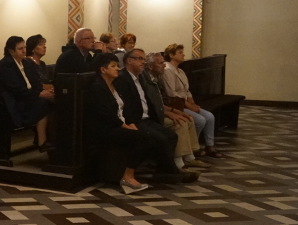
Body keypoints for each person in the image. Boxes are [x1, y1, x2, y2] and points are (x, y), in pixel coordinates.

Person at [114, 48, 195, 182]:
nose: (143, 62)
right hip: (135, 120)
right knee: (161, 139)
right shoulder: (122, 78)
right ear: (129, 61)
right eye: (140, 59)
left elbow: (147, 100)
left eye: (144, 59)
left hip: (146, 118)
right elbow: (125, 105)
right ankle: (170, 173)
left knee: (171, 135)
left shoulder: (139, 77)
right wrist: (132, 123)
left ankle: (163, 171)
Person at [85, 53, 155, 194]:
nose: (118, 68)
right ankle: (128, 177)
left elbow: (123, 110)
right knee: (141, 138)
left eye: (117, 65)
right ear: (103, 69)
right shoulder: (98, 87)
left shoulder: (114, 85)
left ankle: (128, 172)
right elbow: (107, 115)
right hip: (104, 129)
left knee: (148, 136)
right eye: (113, 66)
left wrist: (131, 124)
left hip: (117, 125)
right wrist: (127, 127)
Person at [143, 52, 209, 171]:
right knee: (180, 123)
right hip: (152, 117)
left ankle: (190, 157)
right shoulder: (145, 81)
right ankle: (178, 163)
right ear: (150, 66)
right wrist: (170, 113)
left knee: (188, 119)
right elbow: (151, 106)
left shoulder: (156, 79)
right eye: (160, 63)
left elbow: (159, 103)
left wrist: (175, 111)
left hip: (161, 111)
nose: (164, 65)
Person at [162, 43, 223, 158]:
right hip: (177, 105)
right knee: (200, 120)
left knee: (210, 117)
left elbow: (187, 90)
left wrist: (193, 103)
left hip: (185, 103)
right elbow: (172, 93)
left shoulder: (181, 71)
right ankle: (192, 148)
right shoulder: (167, 70)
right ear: (171, 55)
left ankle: (209, 146)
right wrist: (189, 106)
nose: (183, 54)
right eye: (180, 52)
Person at [0, 36, 54, 149]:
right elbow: (16, 89)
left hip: (27, 97)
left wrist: (44, 91)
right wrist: (39, 94)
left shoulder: (26, 62)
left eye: (24, 48)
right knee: (44, 103)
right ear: (11, 51)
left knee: (52, 100)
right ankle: (42, 141)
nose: (24, 51)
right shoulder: (6, 64)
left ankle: (48, 139)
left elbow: (35, 82)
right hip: (14, 102)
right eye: (20, 49)